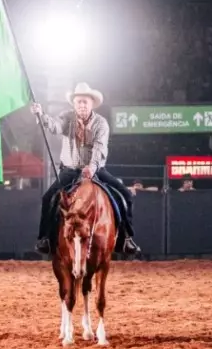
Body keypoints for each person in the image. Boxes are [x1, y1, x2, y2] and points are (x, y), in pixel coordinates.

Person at [33, 83, 140, 256]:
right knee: (48, 198)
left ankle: (127, 237)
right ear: (74, 104)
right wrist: (41, 115)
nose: (82, 105)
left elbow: (99, 148)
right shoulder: (66, 117)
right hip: (69, 170)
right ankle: (44, 238)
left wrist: (91, 166)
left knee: (125, 195)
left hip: (96, 170)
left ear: (92, 103)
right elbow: (54, 126)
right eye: (78, 102)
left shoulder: (101, 124)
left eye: (85, 102)